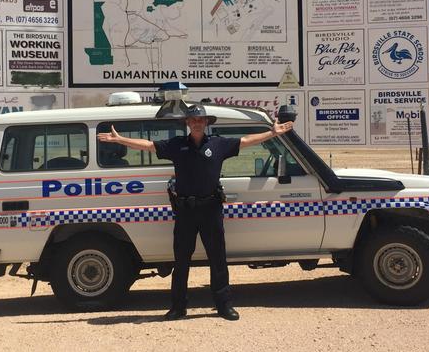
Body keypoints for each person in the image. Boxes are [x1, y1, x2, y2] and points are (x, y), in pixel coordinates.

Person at [97, 103, 294, 321]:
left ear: (207, 123)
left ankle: (224, 305)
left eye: (201, 120)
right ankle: (178, 307)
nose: (197, 123)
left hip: (211, 209)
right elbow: (149, 146)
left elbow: (246, 141)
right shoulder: (177, 145)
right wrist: (121, 140)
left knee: (217, 259)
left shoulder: (219, 144)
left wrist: (272, 133)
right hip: (185, 211)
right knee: (181, 261)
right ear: (188, 124)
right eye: (193, 120)